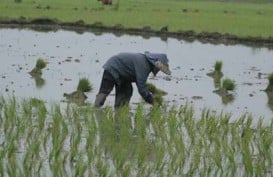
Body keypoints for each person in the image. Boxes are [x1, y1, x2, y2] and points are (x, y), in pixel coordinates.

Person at [94, 52, 171, 108]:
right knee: (105, 91)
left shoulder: (145, 64)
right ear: (155, 65)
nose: (158, 71)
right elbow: (141, 88)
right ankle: (95, 109)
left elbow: (141, 84)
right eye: (159, 69)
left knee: (127, 91)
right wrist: (153, 102)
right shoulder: (144, 66)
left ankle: (120, 111)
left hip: (123, 75)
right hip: (113, 67)